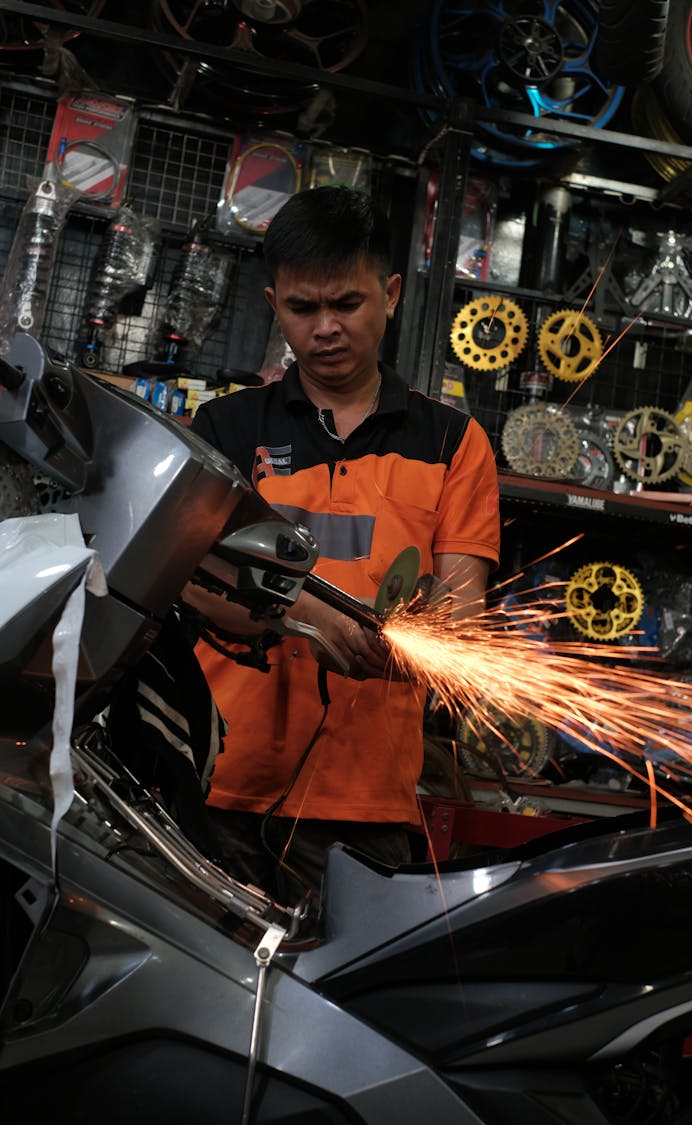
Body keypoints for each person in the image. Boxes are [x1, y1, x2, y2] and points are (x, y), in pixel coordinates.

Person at [184, 185, 500, 916]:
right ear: (273, 303)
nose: (325, 328)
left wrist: (398, 644)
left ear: (390, 294)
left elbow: (460, 617)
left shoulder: (453, 444)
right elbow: (182, 576)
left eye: (348, 305)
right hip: (219, 780)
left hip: (366, 806)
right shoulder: (225, 430)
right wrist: (301, 618)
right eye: (302, 308)